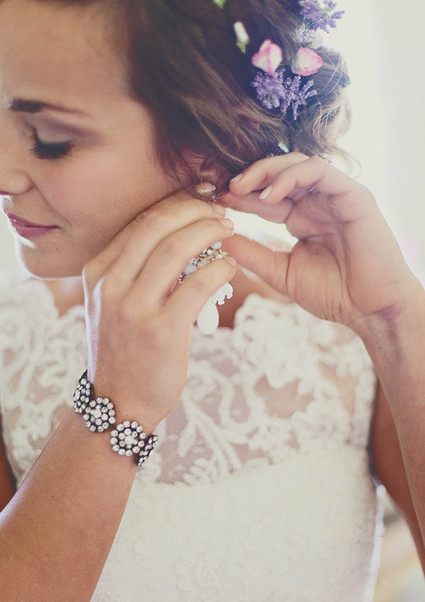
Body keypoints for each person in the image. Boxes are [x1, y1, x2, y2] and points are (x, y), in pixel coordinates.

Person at [0, 0, 424, 600]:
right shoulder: (9, 340)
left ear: (210, 138)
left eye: (50, 140)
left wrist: (394, 319)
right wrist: (113, 402)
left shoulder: (345, 326)